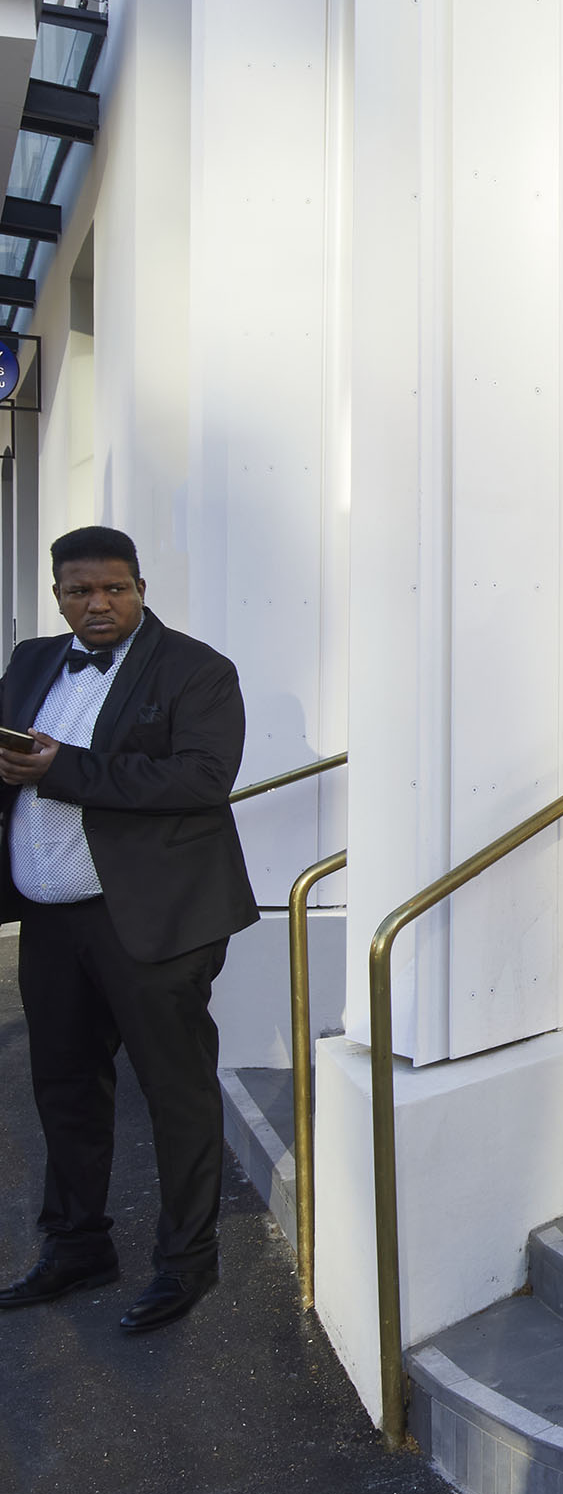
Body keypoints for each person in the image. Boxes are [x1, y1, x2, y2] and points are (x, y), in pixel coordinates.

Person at [0, 528, 258, 1333]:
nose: (98, 604)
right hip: (50, 921)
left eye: (114, 588)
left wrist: (61, 767)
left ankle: (187, 1261)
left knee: (174, 1092)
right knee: (65, 1087)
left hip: (152, 921)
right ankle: (77, 1244)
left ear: (141, 588)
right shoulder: (31, 661)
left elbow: (202, 778)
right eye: (80, 590)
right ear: (58, 596)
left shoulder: (197, 669)